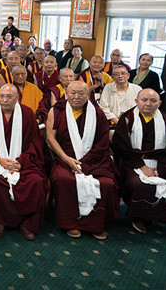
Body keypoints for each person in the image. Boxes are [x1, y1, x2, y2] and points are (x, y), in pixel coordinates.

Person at [45, 81, 118, 239]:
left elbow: (102, 143)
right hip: (65, 159)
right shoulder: (56, 110)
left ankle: (95, 224)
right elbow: (50, 139)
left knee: (106, 183)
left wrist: (84, 163)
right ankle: (71, 223)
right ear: (66, 93)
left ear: (88, 95)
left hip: (95, 160)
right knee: (63, 179)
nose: (76, 97)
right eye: (73, 93)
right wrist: (67, 159)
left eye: (81, 93)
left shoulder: (98, 113)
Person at [111, 89, 166, 233]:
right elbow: (121, 147)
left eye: (153, 101)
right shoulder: (127, 119)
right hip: (133, 161)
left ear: (159, 103)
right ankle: (140, 217)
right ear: (136, 101)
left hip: (162, 162)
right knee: (137, 183)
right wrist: (141, 166)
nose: (148, 104)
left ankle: (165, 217)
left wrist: (162, 167)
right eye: (144, 100)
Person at [0, 84, 48, 240]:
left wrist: (21, 163)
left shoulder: (26, 113)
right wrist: (0, 160)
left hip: (24, 159)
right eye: (1, 96)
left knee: (36, 180)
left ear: (17, 98)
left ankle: (27, 223)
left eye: (9, 96)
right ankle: (0, 222)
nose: (4, 100)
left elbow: (33, 142)